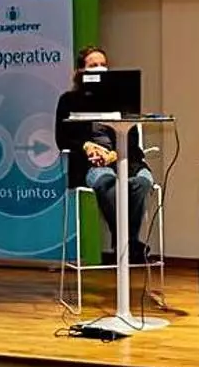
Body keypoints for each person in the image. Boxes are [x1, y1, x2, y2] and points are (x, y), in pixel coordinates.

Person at [54, 45, 155, 264]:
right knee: (107, 182)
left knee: (142, 182)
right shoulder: (68, 101)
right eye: (93, 65)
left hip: (126, 160)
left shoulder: (121, 99)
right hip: (92, 164)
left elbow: (132, 141)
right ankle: (130, 245)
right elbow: (62, 138)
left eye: (103, 64)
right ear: (80, 71)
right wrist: (87, 147)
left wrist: (114, 155)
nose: (100, 68)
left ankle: (125, 242)